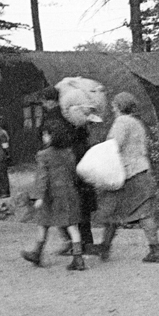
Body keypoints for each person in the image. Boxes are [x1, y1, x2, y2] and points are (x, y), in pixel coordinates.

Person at [93, 92, 159, 263]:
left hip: (127, 173)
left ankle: (105, 246)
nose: (112, 108)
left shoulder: (121, 122)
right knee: (144, 212)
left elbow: (114, 146)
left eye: (114, 105)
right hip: (143, 170)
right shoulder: (137, 123)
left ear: (119, 106)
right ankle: (155, 249)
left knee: (112, 209)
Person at [39, 85, 101, 255]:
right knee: (82, 202)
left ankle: (72, 243)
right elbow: (84, 133)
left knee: (61, 207)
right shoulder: (71, 113)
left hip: (63, 165)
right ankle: (86, 241)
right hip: (81, 159)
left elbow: (49, 142)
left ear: (46, 101)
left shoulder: (53, 118)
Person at [21, 120, 87, 270]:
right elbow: (73, 172)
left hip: (50, 195)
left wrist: (39, 196)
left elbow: (42, 177)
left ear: (51, 136)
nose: (43, 137)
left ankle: (37, 253)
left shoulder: (43, 155)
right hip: (68, 193)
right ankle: (78, 258)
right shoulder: (69, 152)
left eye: (45, 134)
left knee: (43, 223)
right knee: (71, 226)